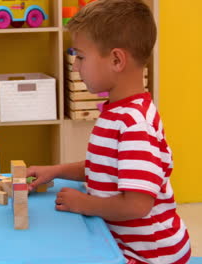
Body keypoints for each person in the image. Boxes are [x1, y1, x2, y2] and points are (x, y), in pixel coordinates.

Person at [28, 1, 191, 263]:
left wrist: (84, 203)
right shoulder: (117, 112)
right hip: (125, 243)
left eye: (80, 56)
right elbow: (106, 166)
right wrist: (56, 171)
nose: (75, 67)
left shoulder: (134, 124)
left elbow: (137, 205)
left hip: (150, 255)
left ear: (116, 60)